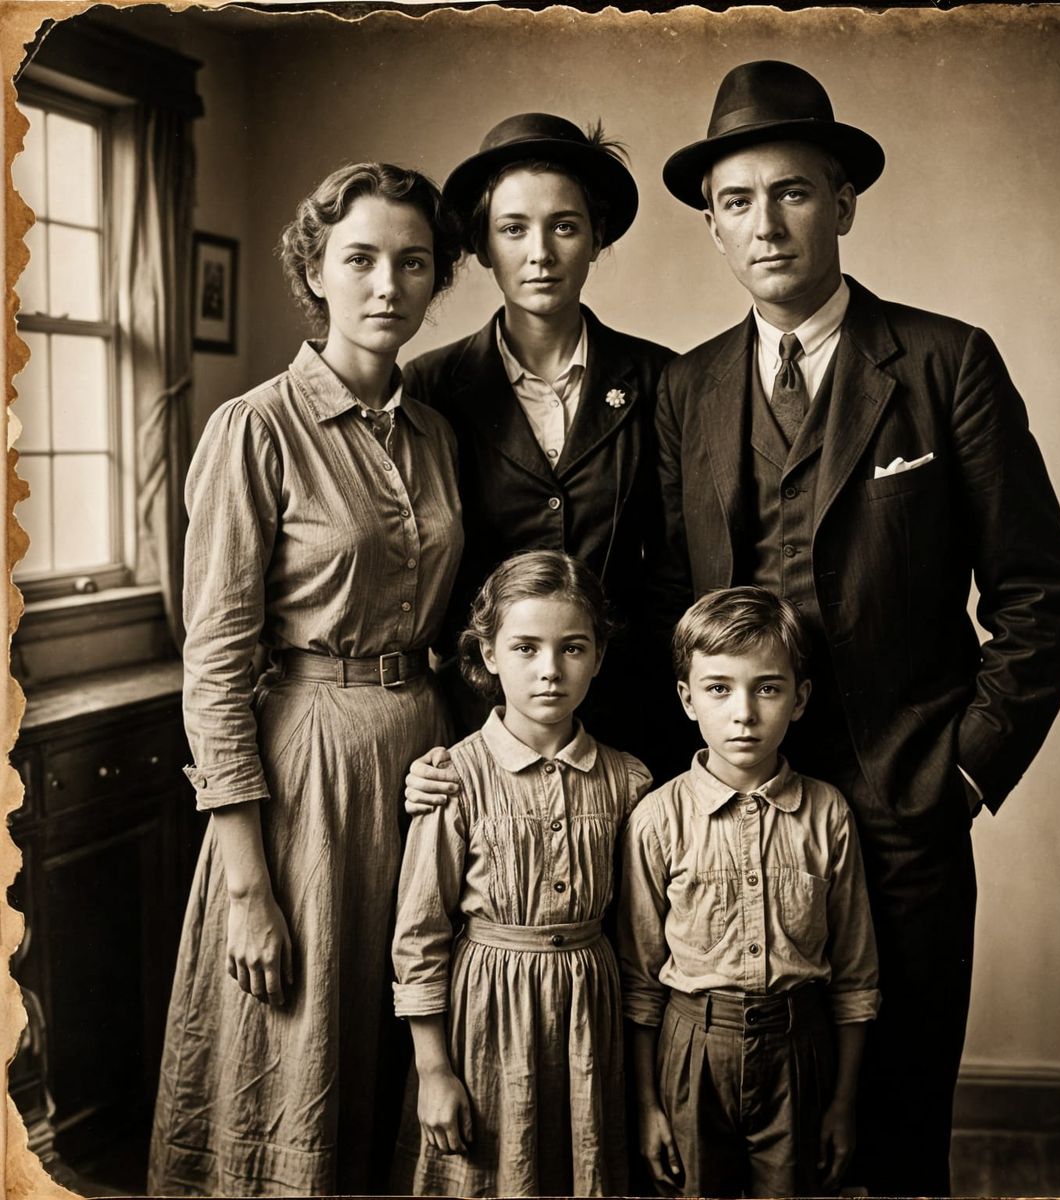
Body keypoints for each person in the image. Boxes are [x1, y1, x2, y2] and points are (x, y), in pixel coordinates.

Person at [652, 60, 1060, 1196]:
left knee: (894, 1139)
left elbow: (1040, 593)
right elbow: (670, 604)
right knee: (740, 1142)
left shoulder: (946, 362)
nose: (766, 224)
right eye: (738, 202)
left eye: (793, 192)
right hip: (732, 821)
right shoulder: (688, 391)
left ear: (843, 204)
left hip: (904, 810)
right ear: (712, 225)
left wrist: (965, 772)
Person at [148, 162, 464, 1197]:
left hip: (418, 761)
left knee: (403, 1034)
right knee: (296, 1056)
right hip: (306, 779)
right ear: (315, 271)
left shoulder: (434, 434)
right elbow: (214, 664)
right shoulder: (256, 427)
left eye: (412, 262)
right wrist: (249, 888)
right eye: (360, 258)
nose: (387, 285)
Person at [402, 111, 675, 758]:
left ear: (598, 237)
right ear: (481, 246)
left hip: (626, 722)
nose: (540, 253)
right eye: (513, 229)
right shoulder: (430, 387)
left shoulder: (661, 378)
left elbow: (678, 566)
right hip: (477, 723)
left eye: (565, 226)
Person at [390, 550, 651, 1197]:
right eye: (526, 648)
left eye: (573, 648)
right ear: (488, 654)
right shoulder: (453, 778)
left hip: (591, 1019)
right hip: (485, 1017)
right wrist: (433, 1070)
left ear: (599, 656)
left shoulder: (629, 782)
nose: (550, 670)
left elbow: (643, 939)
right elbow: (419, 936)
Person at [619, 586, 880, 1198]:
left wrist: (843, 1104)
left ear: (800, 698)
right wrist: (648, 1106)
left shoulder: (828, 815)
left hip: (799, 1051)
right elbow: (639, 982)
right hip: (692, 1050)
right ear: (687, 698)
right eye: (718, 688)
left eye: (767, 688)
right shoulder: (657, 819)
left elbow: (856, 979)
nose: (744, 712)